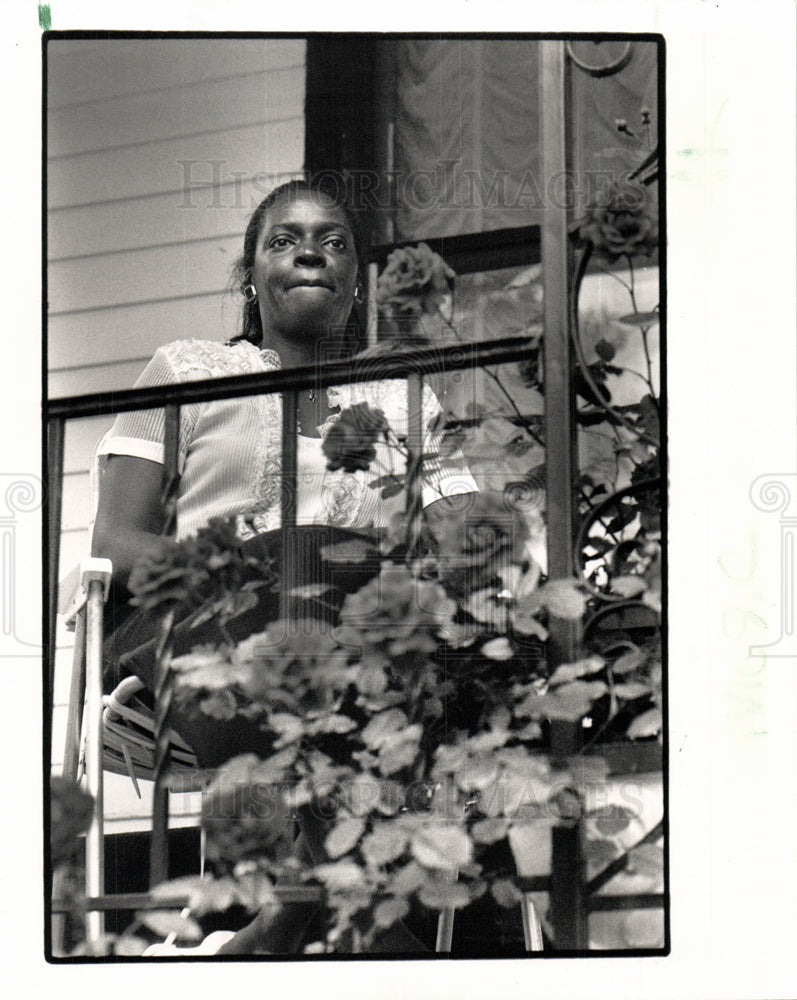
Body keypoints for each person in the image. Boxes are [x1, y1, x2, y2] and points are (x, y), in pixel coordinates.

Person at [90, 178, 477, 952]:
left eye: (334, 242)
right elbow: (117, 543)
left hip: (352, 649)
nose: (310, 251)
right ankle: (342, 907)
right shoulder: (187, 369)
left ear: (356, 282)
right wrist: (248, 571)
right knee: (296, 555)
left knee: (476, 638)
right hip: (191, 632)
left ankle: (289, 917)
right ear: (250, 274)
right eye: (284, 239)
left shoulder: (400, 400)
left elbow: (466, 537)